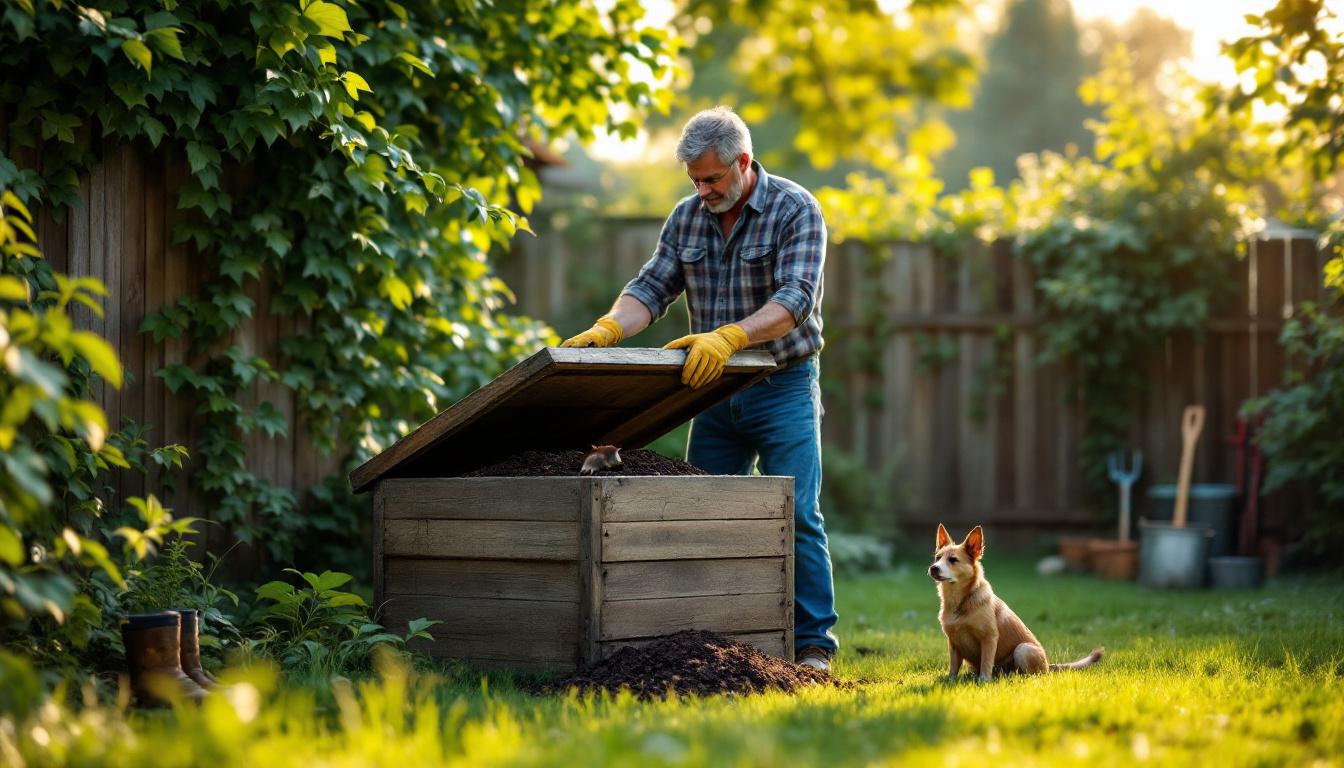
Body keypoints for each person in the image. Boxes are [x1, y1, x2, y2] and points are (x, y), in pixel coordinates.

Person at [560, 106, 838, 670]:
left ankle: (813, 648)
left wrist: (731, 337)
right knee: (702, 512)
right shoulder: (687, 218)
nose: (703, 189)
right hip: (709, 390)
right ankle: (714, 634)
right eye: (695, 180)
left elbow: (796, 299)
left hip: (781, 383)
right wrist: (610, 326)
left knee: (799, 514)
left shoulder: (796, 210)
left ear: (743, 162)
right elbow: (651, 286)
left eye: (712, 178)